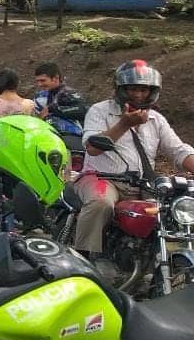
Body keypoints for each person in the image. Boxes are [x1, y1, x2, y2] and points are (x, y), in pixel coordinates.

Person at [74, 60, 194, 257]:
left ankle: (155, 260)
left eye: (144, 90)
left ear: (152, 91)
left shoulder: (156, 119)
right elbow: (92, 148)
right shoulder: (100, 111)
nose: (138, 95)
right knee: (100, 203)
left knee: (175, 211)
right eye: (133, 89)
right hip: (102, 179)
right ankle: (83, 261)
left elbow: (179, 150)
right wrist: (124, 124)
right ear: (121, 89)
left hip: (143, 184)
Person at [33, 62, 88, 138]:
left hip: (73, 138)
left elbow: (83, 110)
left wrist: (52, 109)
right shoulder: (48, 93)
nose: (39, 84)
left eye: (43, 81)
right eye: (37, 81)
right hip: (53, 137)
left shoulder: (67, 92)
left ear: (55, 78)